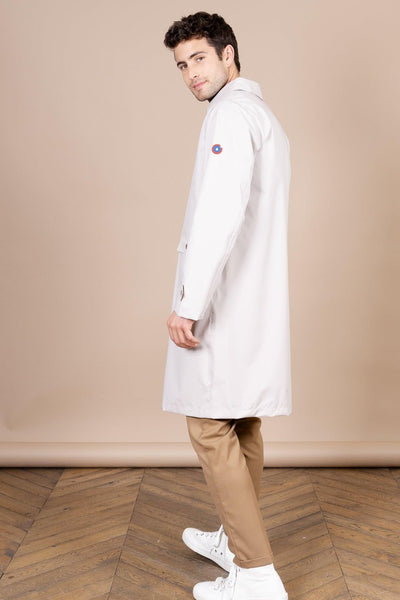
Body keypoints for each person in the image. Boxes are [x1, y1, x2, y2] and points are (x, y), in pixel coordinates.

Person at [162, 12, 292, 600]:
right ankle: (235, 541)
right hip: (250, 300)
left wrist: (188, 304)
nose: (191, 73)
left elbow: (218, 216)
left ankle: (256, 575)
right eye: (181, 65)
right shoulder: (262, 115)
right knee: (241, 421)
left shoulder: (230, 115)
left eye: (199, 58)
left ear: (228, 54)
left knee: (211, 427)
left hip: (225, 300)